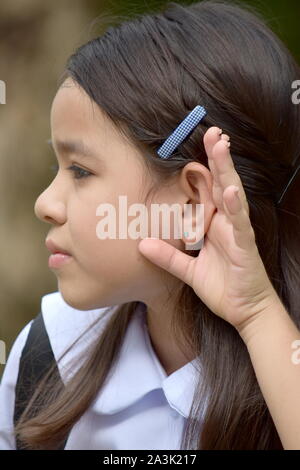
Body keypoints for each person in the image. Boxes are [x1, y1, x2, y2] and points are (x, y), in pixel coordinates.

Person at [1, 0, 300, 450]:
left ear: (192, 201)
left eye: (80, 171)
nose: (46, 204)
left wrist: (258, 316)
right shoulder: (49, 355)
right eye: (54, 166)